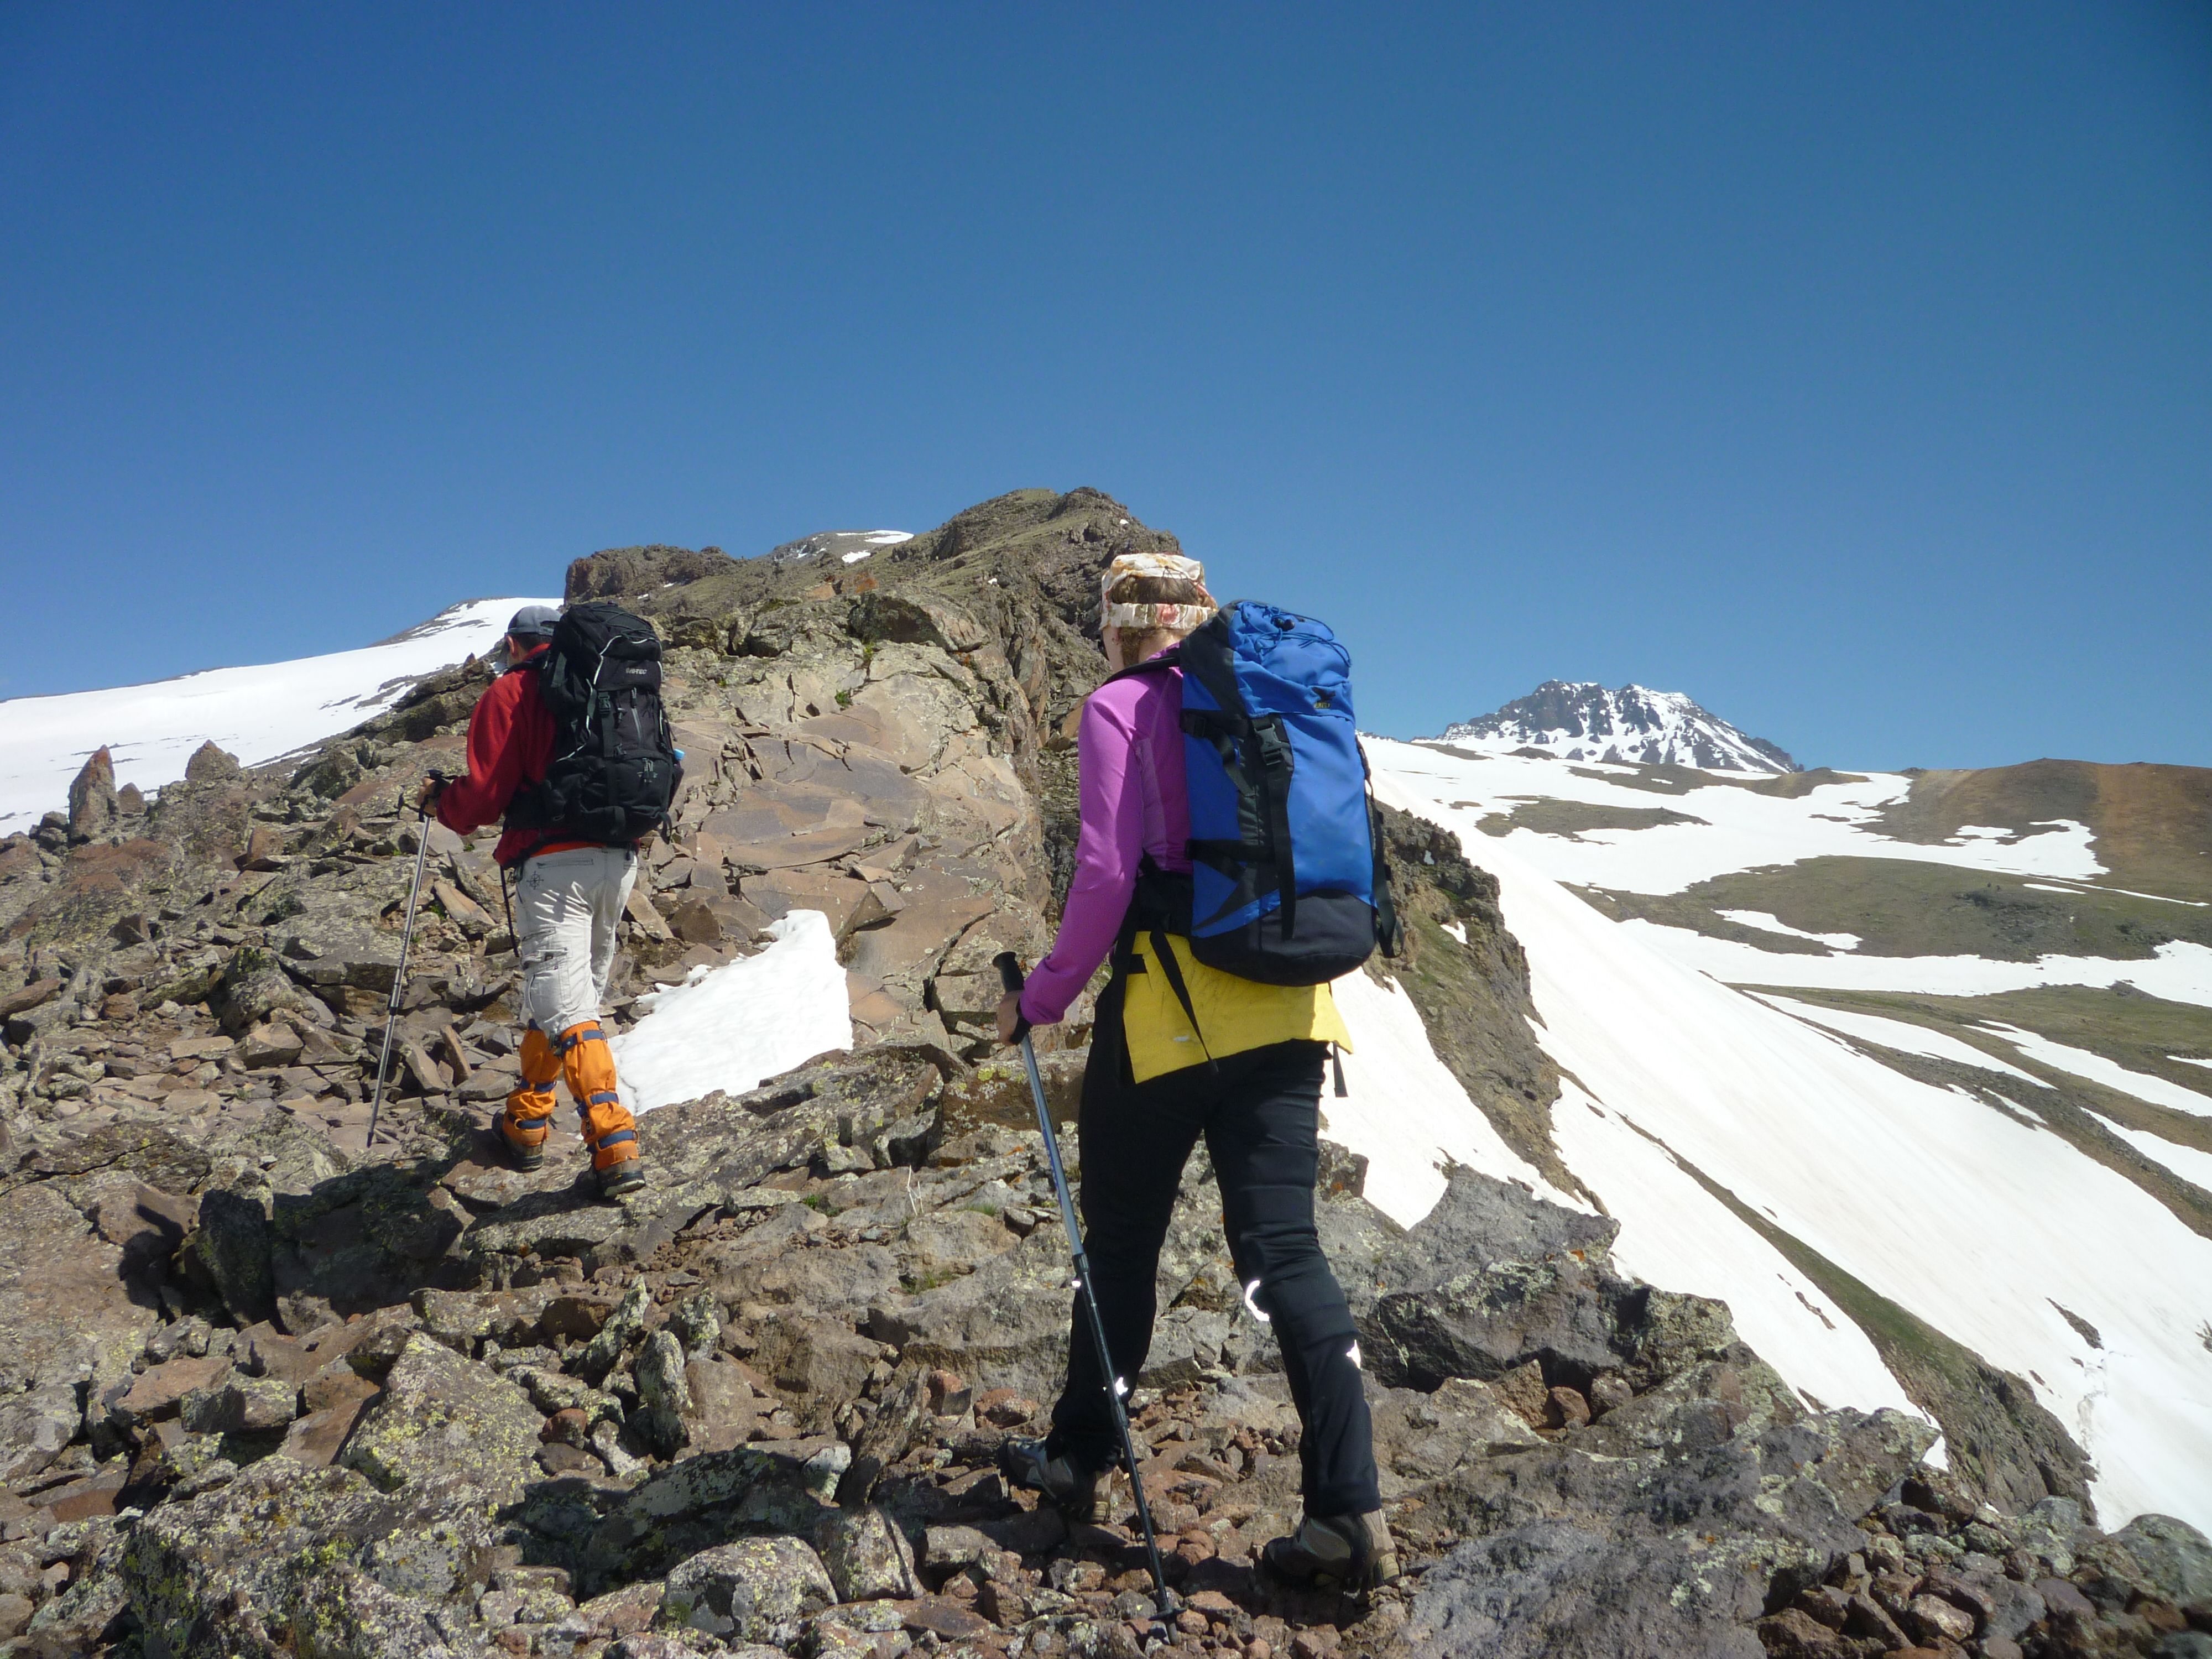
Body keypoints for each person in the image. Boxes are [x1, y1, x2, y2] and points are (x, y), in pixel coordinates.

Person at [995, 554, 1399, 1595]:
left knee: (1123, 1247)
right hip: (1295, 1014)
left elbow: (1104, 874)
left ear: (1119, 626)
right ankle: (1347, 1509)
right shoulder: (1271, 709)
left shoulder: (1122, 707)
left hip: (1170, 1019)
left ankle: (1081, 1454)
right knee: (1287, 1255)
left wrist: (1039, 999)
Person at [421, 603, 646, 1198]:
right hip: (619, 858)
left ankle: (614, 1142)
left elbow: (483, 798)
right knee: (570, 996)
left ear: (516, 644)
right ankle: (524, 1124)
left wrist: (440, 804)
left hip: (553, 864)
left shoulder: (513, 691)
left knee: (567, 1005)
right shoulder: (615, 685)